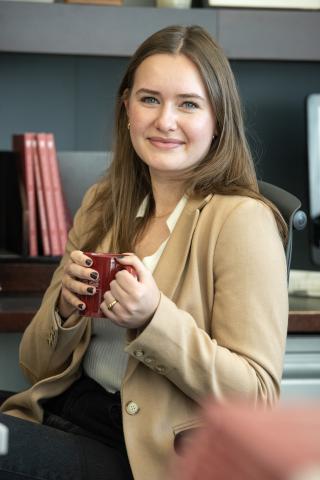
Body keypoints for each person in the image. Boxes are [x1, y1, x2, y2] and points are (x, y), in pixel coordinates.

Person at [0, 24, 288, 480]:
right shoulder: (103, 202)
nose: (165, 121)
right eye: (149, 99)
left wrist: (154, 318)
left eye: (188, 104)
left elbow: (256, 397)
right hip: (62, 413)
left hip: (145, 453)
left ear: (218, 121)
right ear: (126, 108)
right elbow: (35, 366)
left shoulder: (243, 221)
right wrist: (64, 310)